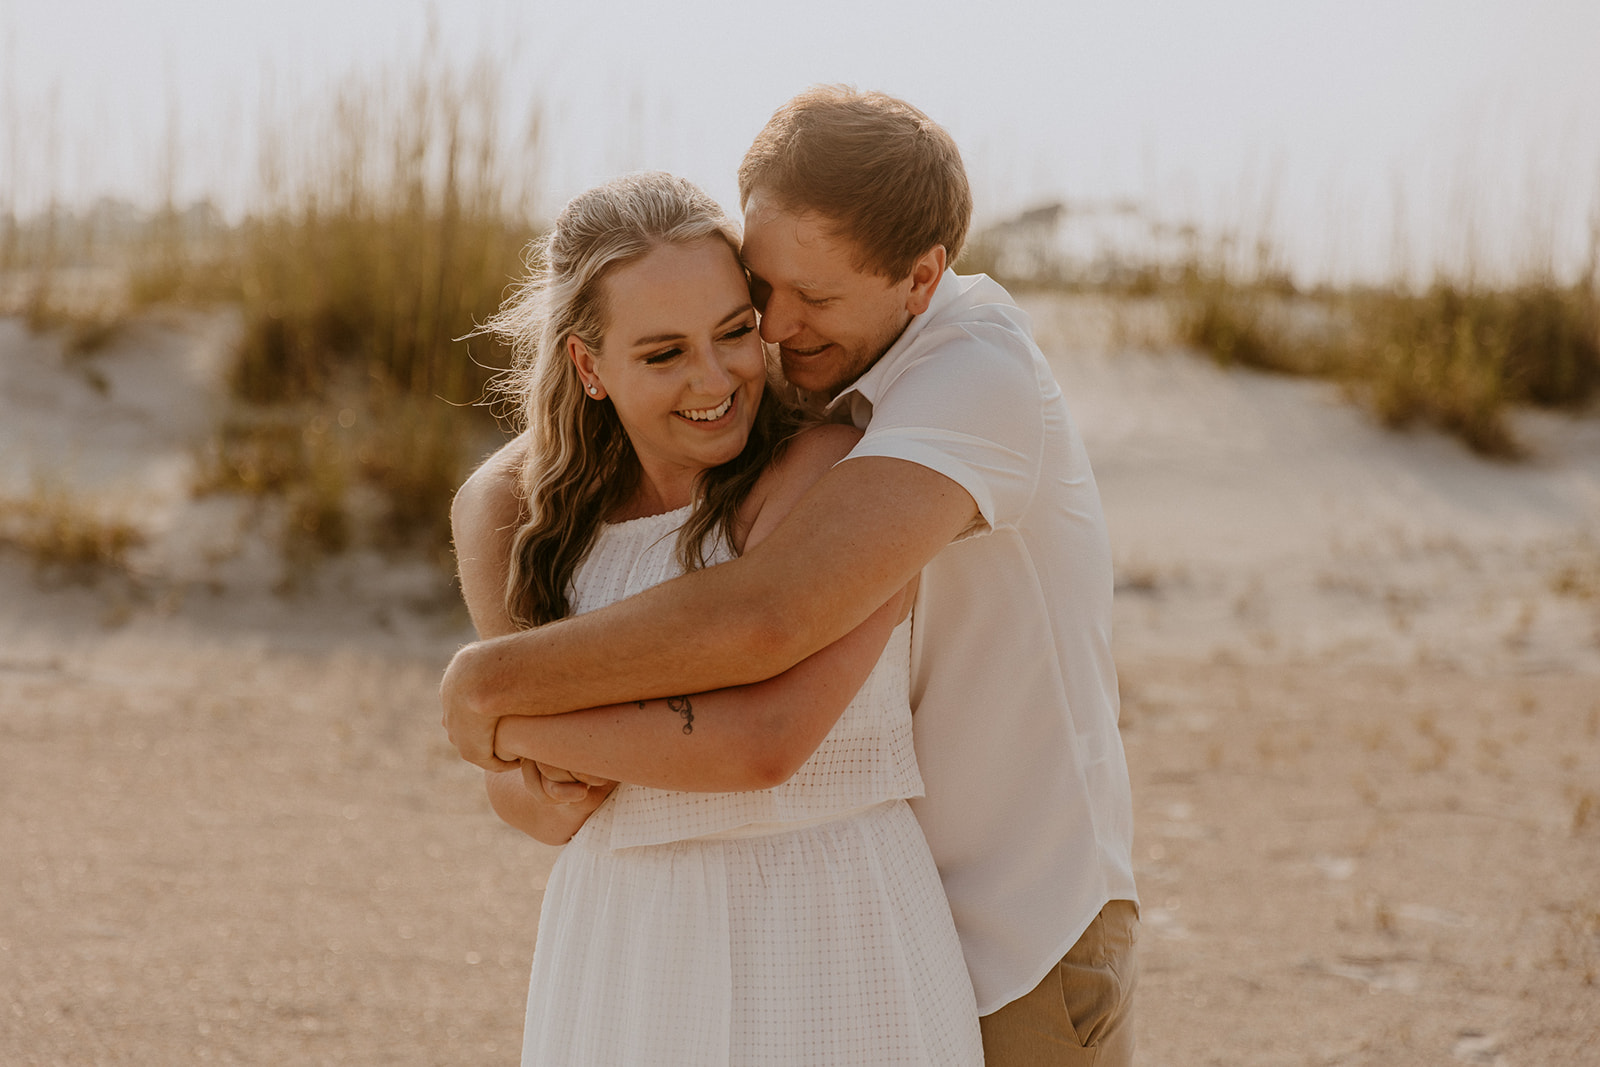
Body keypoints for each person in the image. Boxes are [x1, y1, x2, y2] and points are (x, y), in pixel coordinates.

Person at [444, 87, 1139, 1065]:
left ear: (921, 277)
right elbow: (510, 478)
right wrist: (513, 761)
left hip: (1014, 914)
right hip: (723, 922)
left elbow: (768, 621)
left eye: (810, 300)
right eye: (761, 288)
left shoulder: (971, 380)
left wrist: (491, 691)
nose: (772, 328)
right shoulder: (822, 373)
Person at [451, 170, 982, 1064]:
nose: (716, 378)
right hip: (623, 943)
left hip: (827, 925)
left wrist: (502, 711)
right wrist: (522, 761)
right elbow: (532, 793)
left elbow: (763, 747)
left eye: (735, 332)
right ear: (589, 365)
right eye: (663, 354)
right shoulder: (513, 509)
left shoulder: (827, 469)